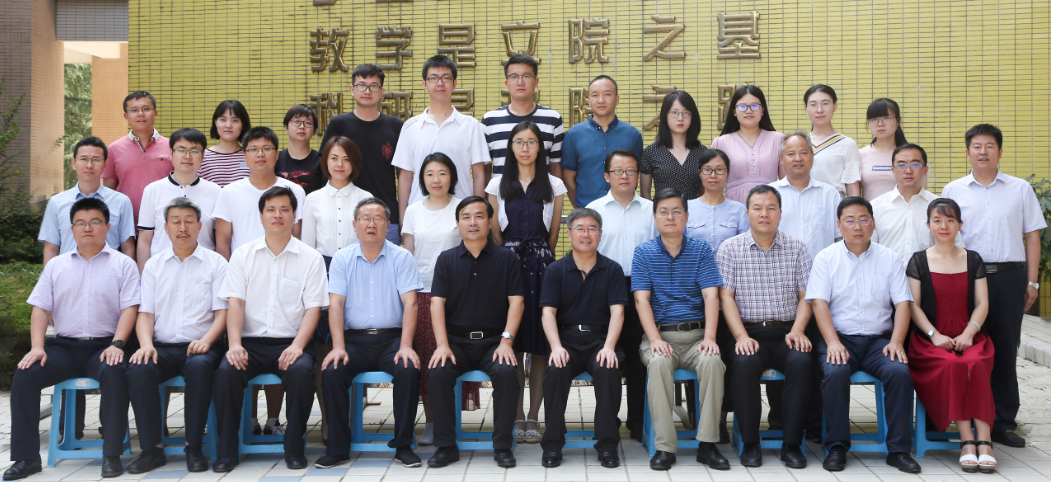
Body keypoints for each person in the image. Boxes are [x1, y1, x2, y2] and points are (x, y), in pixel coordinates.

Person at [6, 198, 139, 480]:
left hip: (105, 347)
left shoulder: (124, 265)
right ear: (72, 229)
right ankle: (26, 458)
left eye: (94, 222)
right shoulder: (56, 265)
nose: (87, 228)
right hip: (64, 348)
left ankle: (111, 455)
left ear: (107, 227)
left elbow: (131, 308)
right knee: (25, 374)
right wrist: (37, 347)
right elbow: (40, 308)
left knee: (115, 373)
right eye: (80, 223)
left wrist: (118, 344)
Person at [941, 124, 1046, 448]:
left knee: (1004, 348)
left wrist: (1032, 281)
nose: (983, 151)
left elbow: (1032, 236)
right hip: (967, 276)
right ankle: (968, 419)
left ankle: (1002, 422)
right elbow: (945, 234)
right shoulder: (954, 189)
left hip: (1009, 276)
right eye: (976, 146)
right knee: (967, 348)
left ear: (1000, 151)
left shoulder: (1019, 189)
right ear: (967, 152)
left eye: (989, 146)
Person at [212, 187, 328, 472]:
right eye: (271, 210)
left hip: (291, 342)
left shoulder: (310, 257)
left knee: (302, 373)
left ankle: (294, 447)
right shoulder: (243, 255)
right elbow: (235, 303)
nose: (278, 215)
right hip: (248, 343)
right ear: (261, 216)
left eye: (285, 209)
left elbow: (313, 308)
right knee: (226, 373)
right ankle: (227, 451)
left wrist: (298, 346)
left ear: (294, 215)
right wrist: (234, 344)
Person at [807, 197, 919, 473]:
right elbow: (818, 303)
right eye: (850, 220)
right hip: (839, 338)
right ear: (839, 225)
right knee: (834, 373)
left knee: (899, 372)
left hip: (879, 341)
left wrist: (897, 341)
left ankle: (899, 450)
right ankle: (836, 447)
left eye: (863, 219)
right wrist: (832, 342)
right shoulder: (826, 258)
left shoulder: (889, 257)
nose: (857, 226)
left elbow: (903, 303)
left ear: (873, 223)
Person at [317, 198, 424, 469]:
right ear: (355, 225)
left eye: (378, 218)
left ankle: (403, 445)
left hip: (392, 340)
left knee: (408, 368)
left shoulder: (402, 257)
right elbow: (336, 305)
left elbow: (411, 303)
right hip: (354, 340)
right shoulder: (342, 259)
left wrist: (406, 345)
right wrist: (338, 346)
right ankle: (337, 448)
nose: (371, 224)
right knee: (332, 371)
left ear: (388, 225)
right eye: (365, 218)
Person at [126, 197, 228, 473]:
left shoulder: (216, 263)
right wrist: (145, 344)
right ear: (166, 228)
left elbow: (222, 313)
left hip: (202, 345)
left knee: (199, 368)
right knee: (138, 369)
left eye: (189, 222)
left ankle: (193, 447)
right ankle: (152, 449)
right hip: (161, 346)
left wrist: (206, 341)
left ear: (200, 226)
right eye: (176, 222)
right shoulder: (154, 265)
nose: (182, 228)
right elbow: (145, 314)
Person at [716, 185, 813, 469]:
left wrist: (798, 330)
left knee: (802, 363)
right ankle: (750, 442)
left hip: (787, 332)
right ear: (747, 212)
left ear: (780, 212)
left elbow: (806, 296)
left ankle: (792, 444)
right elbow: (725, 297)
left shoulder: (797, 247)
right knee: (744, 365)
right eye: (757, 208)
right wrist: (740, 336)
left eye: (771, 208)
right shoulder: (730, 248)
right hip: (748, 332)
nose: (764, 214)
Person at [425, 196, 525, 469]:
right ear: (457, 224)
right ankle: (446, 446)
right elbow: (436, 304)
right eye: (466, 217)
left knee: (507, 373)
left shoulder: (506, 258)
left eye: (479, 216)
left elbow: (517, 302)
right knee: (438, 373)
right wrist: (442, 345)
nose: (473, 222)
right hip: (456, 342)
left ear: (490, 222)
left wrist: (506, 341)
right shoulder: (446, 260)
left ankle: (502, 446)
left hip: (495, 342)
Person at [633, 188, 728, 471]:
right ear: (655, 217)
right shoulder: (644, 252)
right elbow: (641, 300)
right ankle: (665, 447)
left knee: (713, 362)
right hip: (661, 336)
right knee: (659, 363)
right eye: (664, 212)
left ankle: (708, 444)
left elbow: (711, 296)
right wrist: (654, 340)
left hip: (698, 336)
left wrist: (710, 338)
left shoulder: (701, 250)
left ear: (686, 216)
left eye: (676, 211)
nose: (670, 217)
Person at [484, 121, 566, 443]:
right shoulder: (496, 184)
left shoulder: (554, 184)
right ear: (511, 147)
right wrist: (510, 258)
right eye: (519, 142)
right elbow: (495, 233)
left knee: (540, 347)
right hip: (509, 265)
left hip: (543, 266)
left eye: (532, 142)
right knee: (514, 346)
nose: (525, 148)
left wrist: (541, 257)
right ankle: (517, 415)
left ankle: (534, 416)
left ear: (540, 147)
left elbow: (554, 232)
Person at [906, 198, 996, 473]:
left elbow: (982, 303)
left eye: (950, 220)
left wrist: (969, 333)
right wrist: (934, 334)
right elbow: (913, 306)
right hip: (930, 339)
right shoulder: (919, 260)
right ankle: (967, 440)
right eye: (937, 220)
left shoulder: (973, 259)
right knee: (952, 365)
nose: (943, 226)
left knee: (974, 363)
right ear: (928, 225)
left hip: (970, 335)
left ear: (960, 225)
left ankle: (985, 441)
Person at [538, 208, 626, 469]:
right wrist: (556, 347)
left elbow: (618, 312)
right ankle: (552, 444)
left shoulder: (612, 269)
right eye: (580, 229)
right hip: (566, 340)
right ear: (569, 234)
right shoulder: (556, 270)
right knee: (555, 371)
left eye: (592, 229)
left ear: (600, 234)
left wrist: (609, 347)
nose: (586, 234)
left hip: (600, 339)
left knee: (608, 368)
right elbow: (547, 313)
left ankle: (607, 444)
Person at [401, 153, 474, 445]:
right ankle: (432, 421)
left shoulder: (463, 208)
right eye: (430, 174)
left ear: (452, 177)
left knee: (455, 355)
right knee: (429, 358)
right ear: (422, 179)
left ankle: (451, 421)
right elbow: (408, 255)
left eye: (442, 173)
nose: (436, 179)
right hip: (423, 293)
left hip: (459, 295)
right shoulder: (413, 211)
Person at [585, 149, 657, 441]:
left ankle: (638, 422)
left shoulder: (652, 210)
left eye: (630, 170)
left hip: (643, 290)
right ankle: (608, 420)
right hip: (604, 290)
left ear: (638, 175)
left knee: (640, 359)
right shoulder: (594, 210)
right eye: (618, 171)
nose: (624, 176)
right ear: (607, 176)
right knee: (608, 358)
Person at [392, 55, 488, 228]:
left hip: (462, 216)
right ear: (425, 84)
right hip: (420, 218)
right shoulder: (411, 127)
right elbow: (405, 177)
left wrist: (478, 214)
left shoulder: (471, 126)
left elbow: (479, 174)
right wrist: (403, 220)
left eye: (446, 78)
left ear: (454, 83)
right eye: (433, 78)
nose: (440, 83)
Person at [321, 64, 404, 244]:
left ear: (381, 92)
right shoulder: (339, 124)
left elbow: (403, 175)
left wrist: (403, 216)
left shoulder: (396, 126)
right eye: (361, 85)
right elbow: (326, 168)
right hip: (346, 216)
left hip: (386, 216)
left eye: (374, 86)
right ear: (352, 89)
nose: (367, 91)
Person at [213, 127, 307, 260]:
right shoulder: (229, 192)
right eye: (253, 149)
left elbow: (298, 237)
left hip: (285, 265)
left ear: (277, 154)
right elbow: (223, 242)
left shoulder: (295, 191)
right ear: (244, 156)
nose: (260, 154)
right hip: (243, 268)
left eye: (266, 149)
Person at [39, 136, 136, 264]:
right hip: (68, 273)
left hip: (109, 273)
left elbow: (127, 247)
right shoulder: (56, 203)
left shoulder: (121, 202)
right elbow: (51, 248)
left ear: (105, 165)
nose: (89, 165)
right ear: (73, 163)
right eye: (83, 159)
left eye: (96, 160)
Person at [137, 128, 222, 272]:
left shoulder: (216, 191)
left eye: (194, 151)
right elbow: (144, 240)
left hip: (204, 272)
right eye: (181, 150)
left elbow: (220, 239)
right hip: (161, 271)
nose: (187, 156)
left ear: (203, 155)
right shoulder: (153, 190)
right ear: (171, 153)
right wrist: (143, 277)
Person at [872, 143, 962, 267]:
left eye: (915, 164)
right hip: (888, 276)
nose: (908, 171)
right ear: (893, 170)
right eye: (901, 165)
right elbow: (868, 248)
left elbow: (956, 248)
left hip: (930, 276)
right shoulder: (876, 207)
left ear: (925, 170)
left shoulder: (941, 207)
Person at [562, 75, 643, 208]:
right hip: (587, 211)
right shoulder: (573, 135)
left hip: (623, 210)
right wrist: (580, 210)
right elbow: (568, 179)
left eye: (607, 94)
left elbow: (635, 176)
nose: (601, 100)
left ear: (617, 99)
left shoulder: (633, 135)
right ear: (589, 100)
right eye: (595, 95)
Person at [481, 54, 564, 178]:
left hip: (541, 190)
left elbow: (555, 166)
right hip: (500, 190)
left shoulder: (553, 119)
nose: (520, 82)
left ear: (536, 81)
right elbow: (486, 169)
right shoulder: (489, 120)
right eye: (514, 77)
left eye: (526, 76)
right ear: (506, 83)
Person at [769, 131, 842, 260]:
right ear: (782, 159)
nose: (798, 158)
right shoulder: (769, 193)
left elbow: (839, 237)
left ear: (812, 156)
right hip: (780, 268)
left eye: (803, 153)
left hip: (821, 268)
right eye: (791, 154)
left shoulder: (830, 194)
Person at [102, 91, 172, 225]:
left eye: (146, 109)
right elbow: (109, 192)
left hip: (163, 225)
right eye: (134, 110)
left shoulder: (171, 147)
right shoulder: (114, 149)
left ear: (155, 113)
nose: (140, 114)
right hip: (125, 225)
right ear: (126, 116)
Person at [711, 85, 785, 204]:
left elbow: (785, 183)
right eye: (742, 106)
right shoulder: (721, 142)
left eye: (755, 106)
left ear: (763, 110)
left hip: (768, 207)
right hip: (734, 209)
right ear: (734, 111)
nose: (749, 111)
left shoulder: (778, 139)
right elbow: (713, 185)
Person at [301, 136, 374, 256]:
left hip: (357, 262)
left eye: (346, 159)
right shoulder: (312, 199)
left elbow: (371, 240)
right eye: (334, 158)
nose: (340, 164)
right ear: (326, 160)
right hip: (322, 264)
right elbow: (307, 244)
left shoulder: (366, 198)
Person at [640, 90, 708, 200]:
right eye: (674, 112)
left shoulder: (702, 153)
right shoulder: (651, 152)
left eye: (686, 112)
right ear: (665, 116)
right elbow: (645, 196)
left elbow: (704, 195)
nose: (680, 118)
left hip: (694, 211)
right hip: (662, 210)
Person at [685, 149, 748, 254]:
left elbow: (745, 249)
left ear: (728, 174)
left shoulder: (739, 210)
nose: (713, 175)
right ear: (700, 173)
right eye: (707, 169)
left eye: (719, 169)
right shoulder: (686, 208)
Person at [804, 85, 861, 197]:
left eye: (825, 104)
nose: (819, 110)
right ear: (806, 109)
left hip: (835, 204)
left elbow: (853, 191)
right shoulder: (799, 143)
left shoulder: (847, 144)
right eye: (813, 105)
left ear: (835, 107)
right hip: (803, 202)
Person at [859, 98, 908, 201]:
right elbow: (855, 194)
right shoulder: (860, 155)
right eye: (874, 119)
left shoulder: (910, 155)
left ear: (898, 121)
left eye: (886, 118)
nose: (880, 124)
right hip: (870, 211)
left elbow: (920, 192)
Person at [199, 100, 252, 187]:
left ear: (243, 125)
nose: (228, 125)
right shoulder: (202, 157)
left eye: (235, 120)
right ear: (216, 122)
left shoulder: (251, 156)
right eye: (223, 120)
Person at [276, 104, 324, 195]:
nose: (302, 126)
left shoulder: (322, 161)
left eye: (308, 123)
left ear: (314, 130)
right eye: (296, 121)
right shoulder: (276, 159)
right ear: (286, 127)